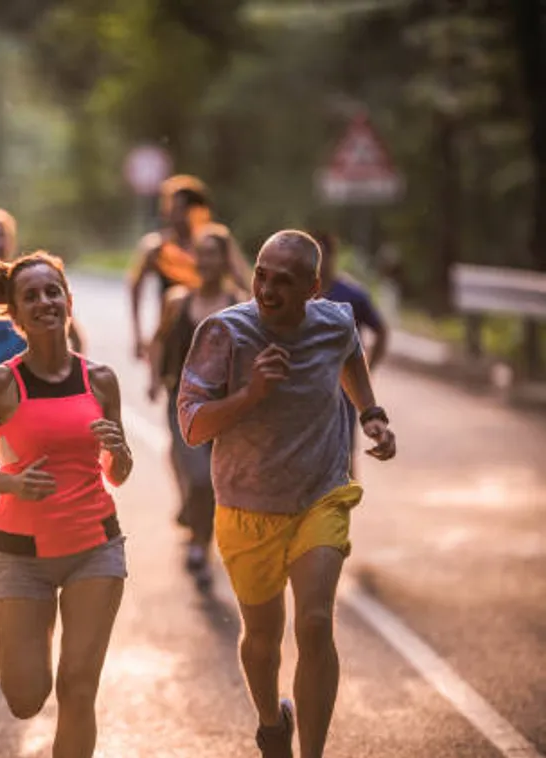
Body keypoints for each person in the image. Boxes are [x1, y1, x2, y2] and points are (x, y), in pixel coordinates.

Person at [177, 230, 397, 758]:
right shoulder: (224, 332)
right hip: (246, 503)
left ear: (312, 287)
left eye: (284, 281)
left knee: (316, 622)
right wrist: (252, 393)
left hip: (320, 492)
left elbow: (350, 355)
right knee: (262, 640)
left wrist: (370, 412)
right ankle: (271, 721)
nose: (268, 289)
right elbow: (191, 425)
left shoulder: (335, 321)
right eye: (260, 275)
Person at [0, 251, 132, 758]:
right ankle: (34, 637)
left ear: (68, 302)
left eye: (53, 292)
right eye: (31, 296)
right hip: (22, 555)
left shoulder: (102, 379)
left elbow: (118, 474)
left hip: (96, 546)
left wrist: (120, 451)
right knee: (26, 697)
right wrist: (13, 484)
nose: (45, 301)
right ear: (15, 316)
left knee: (78, 689)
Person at [0, 207, 85, 548]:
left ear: (10, 240)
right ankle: (4, 563)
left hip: (43, 399)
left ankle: (50, 556)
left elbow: (74, 337)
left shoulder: (37, 287)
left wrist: (78, 375)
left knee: (49, 481)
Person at [148, 223, 241, 591]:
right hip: (182, 403)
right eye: (200, 254)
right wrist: (155, 378)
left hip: (227, 406)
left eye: (212, 254)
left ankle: (198, 534)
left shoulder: (239, 304)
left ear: (224, 259)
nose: (204, 261)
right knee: (199, 477)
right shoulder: (177, 300)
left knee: (215, 482)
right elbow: (158, 341)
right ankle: (200, 545)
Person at [128, 174, 250, 362]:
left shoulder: (214, 243)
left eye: (183, 209)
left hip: (215, 330)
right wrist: (137, 334)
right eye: (173, 208)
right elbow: (135, 286)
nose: (177, 215)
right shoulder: (158, 248)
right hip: (174, 331)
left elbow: (243, 280)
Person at [313, 232, 390, 477]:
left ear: (332, 257)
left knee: (343, 454)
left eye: (323, 255)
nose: (319, 262)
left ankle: (341, 506)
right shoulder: (297, 294)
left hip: (342, 389)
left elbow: (381, 330)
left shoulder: (351, 295)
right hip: (306, 388)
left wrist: (367, 369)